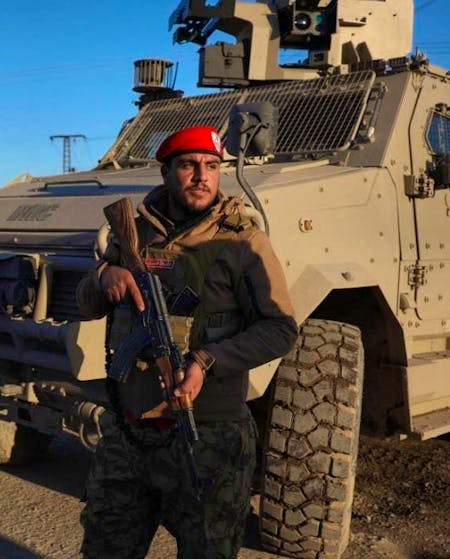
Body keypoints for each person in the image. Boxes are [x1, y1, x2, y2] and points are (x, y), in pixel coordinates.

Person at [78, 125, 299, 558]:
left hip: (209, 438)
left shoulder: (242, 242)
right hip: (130, 431)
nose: (202, 176)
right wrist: (106, 277)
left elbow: (280, 329)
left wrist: (207, 360)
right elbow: (86, 305)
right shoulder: (134, 234)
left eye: (212, 166)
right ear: (166, 172)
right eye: (189, 165)